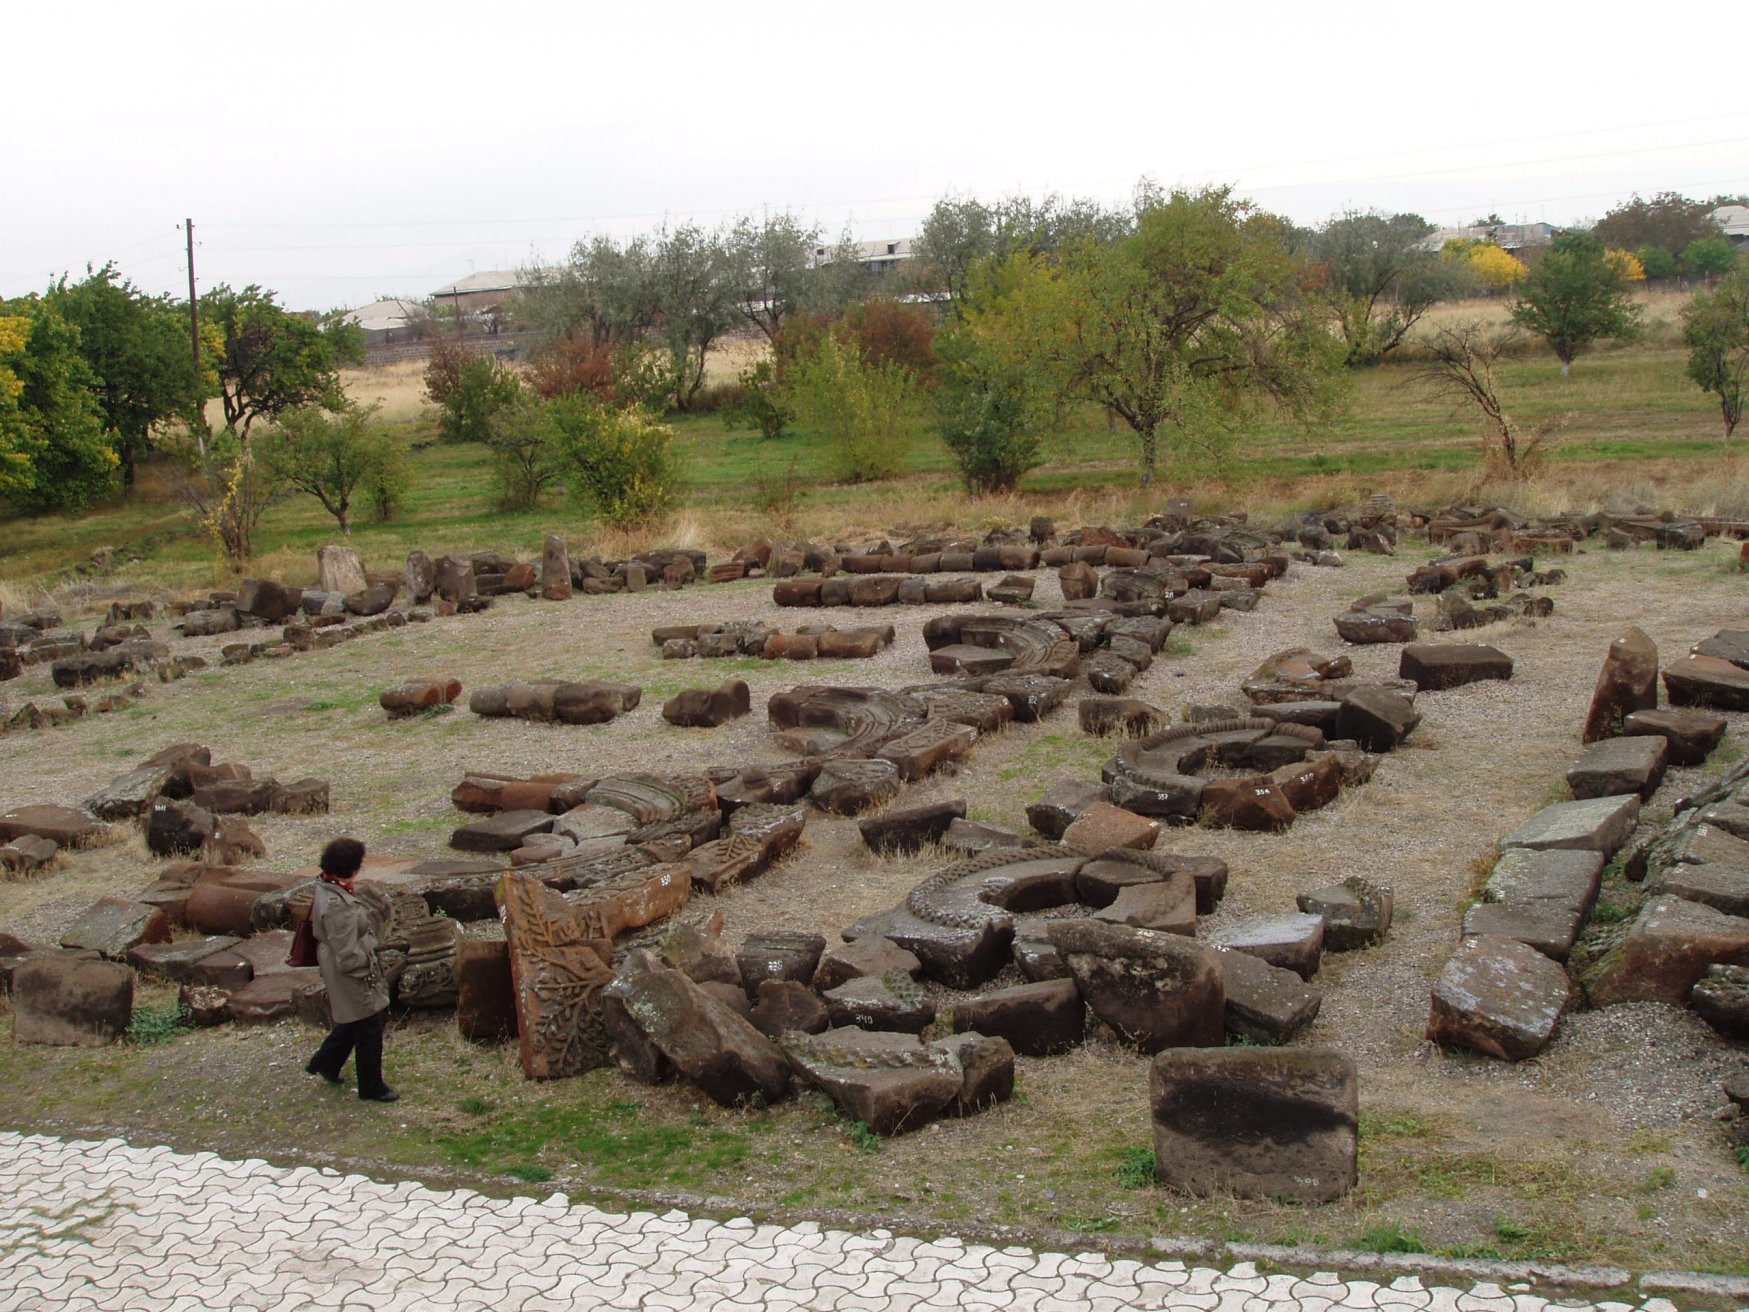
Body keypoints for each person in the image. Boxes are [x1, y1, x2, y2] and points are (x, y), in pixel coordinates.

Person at [303, 837, 397, 1102]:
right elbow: (346, 951)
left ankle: (326, 1062)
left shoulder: (329, 887)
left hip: (341, 963)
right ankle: (371, 1086)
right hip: (350, 969)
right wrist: (368, 970)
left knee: (355, 1020)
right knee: (368, 1025)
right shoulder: (338, 905)